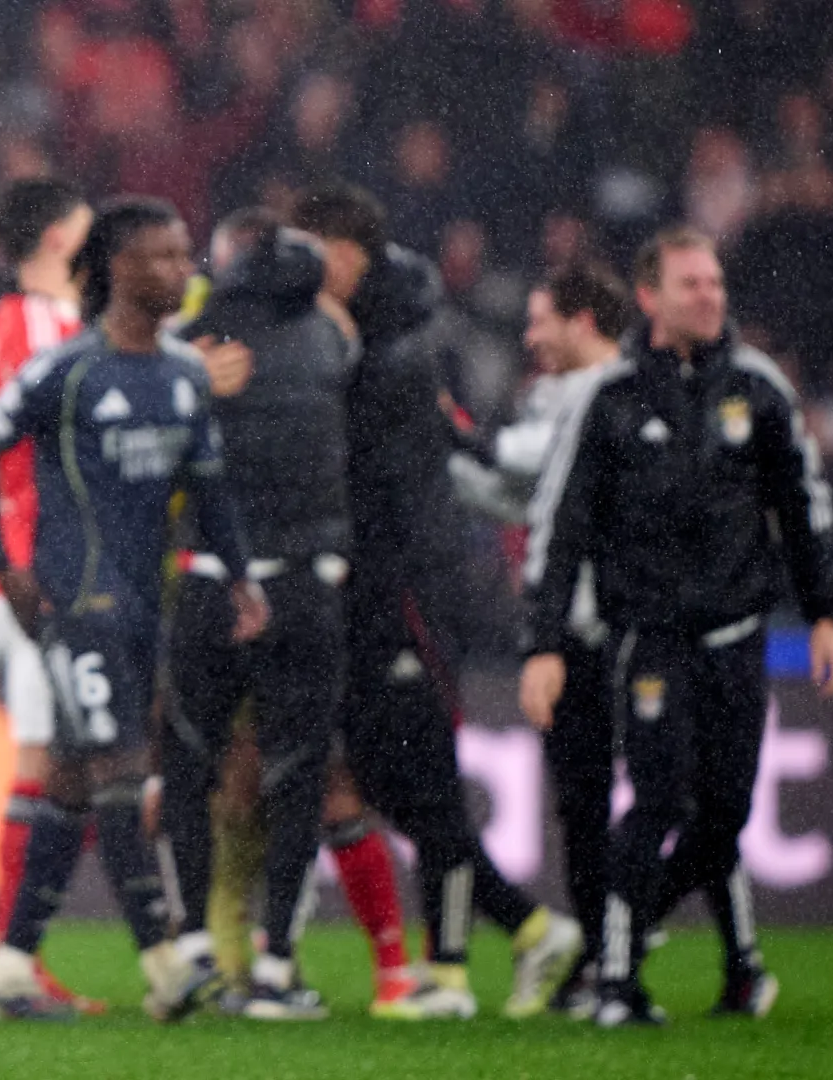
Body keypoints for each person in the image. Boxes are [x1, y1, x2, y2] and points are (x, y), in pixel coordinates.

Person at [520, 226, 833, 1028]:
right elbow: (562, 528)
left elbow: (800, 512)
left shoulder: (759, 388)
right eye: (691, 284)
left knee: (723, 821)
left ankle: (624, 945)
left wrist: (825, 614)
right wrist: (544, 646)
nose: (710, 296)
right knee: (658, 800)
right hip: (652, 639)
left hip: (738, 637)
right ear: (650, 298)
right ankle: (621, 984)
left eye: (715, 282)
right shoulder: (613, 396)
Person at [0, 197, 268, 1022]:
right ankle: (168, 964)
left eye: (183, 254)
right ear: (115, 270)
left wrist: (241, 578)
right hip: (76, 603)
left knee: (68, 786)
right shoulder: (69, 370)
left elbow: (209, 491)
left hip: (143, 608)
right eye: (160, 258)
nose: (179, 270)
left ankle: (10, 970)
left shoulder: (179, 375)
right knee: (122, 776)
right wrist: (9, 571)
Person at [303, 184, 583, 1020]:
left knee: (420, 785)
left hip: (408, 590)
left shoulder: (386, 351)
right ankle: (531, 932)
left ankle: (465, 964)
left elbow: (424, 457)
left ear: (350, 255)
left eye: (319, 256)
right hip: (372, 587)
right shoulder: (375, 343)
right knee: (389, 780)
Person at [169, 208, 416, 1020]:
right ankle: (277, 964)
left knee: (190, 763)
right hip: (310, 578)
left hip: (212, 577)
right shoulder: (329, 340)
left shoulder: (194, 343)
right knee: (300, 775)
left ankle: (192, 950)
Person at [447, 262, 631, 1016]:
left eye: (540, 321)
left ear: (582, 320)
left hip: (633, 624)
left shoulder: (625, 393)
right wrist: (448, 458)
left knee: (667, 797)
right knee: (582, 805)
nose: (530, 337)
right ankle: (600, 954)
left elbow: (525, 464)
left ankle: (634, 947)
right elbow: (513, 495)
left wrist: (449, 433)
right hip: (569, 627)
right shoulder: (549, 394)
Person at [0, 177, 98, 1013]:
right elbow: (27, 446)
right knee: (55, 761)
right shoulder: (34, 324)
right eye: (86, 228)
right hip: (48, 571)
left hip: (65, 569)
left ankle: (3, 923)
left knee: (81, 760)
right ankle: (13, 951)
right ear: (54, 238)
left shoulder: (50, 320)